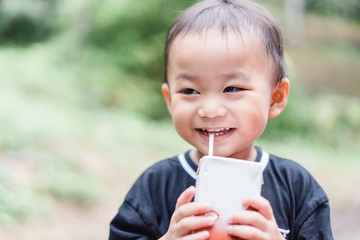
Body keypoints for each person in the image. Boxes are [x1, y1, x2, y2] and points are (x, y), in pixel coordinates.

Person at [109, 0, 333, 239]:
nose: (210, 109)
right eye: (190, 91)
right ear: (169, 100)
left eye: (232, 88)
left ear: (275, 98)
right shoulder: (154, 187)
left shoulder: (297, 188)